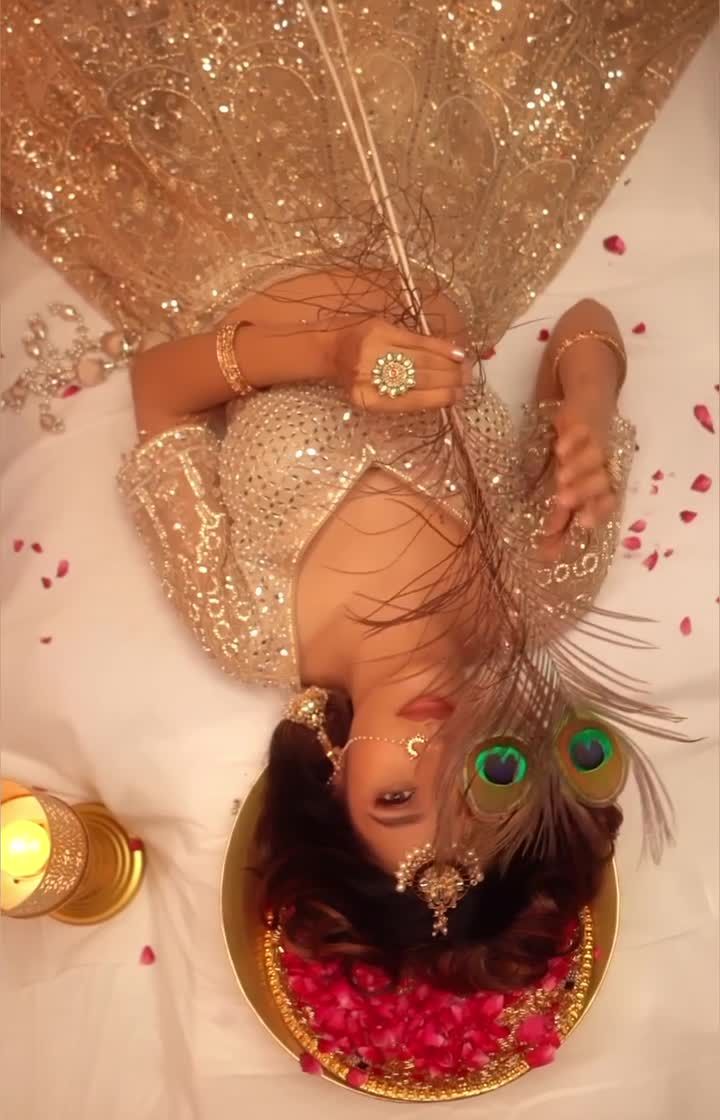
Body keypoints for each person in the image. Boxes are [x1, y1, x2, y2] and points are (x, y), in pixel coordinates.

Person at [4, 0, 711, 992]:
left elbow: (160, 390)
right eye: (487, 780)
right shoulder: (538, 589)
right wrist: (587, 410)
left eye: (396, 798)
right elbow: (588, 324)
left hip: (219, 216)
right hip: (434, 185)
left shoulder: (249, 626)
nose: (436, 745)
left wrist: (332, 354)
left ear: (333, 783)